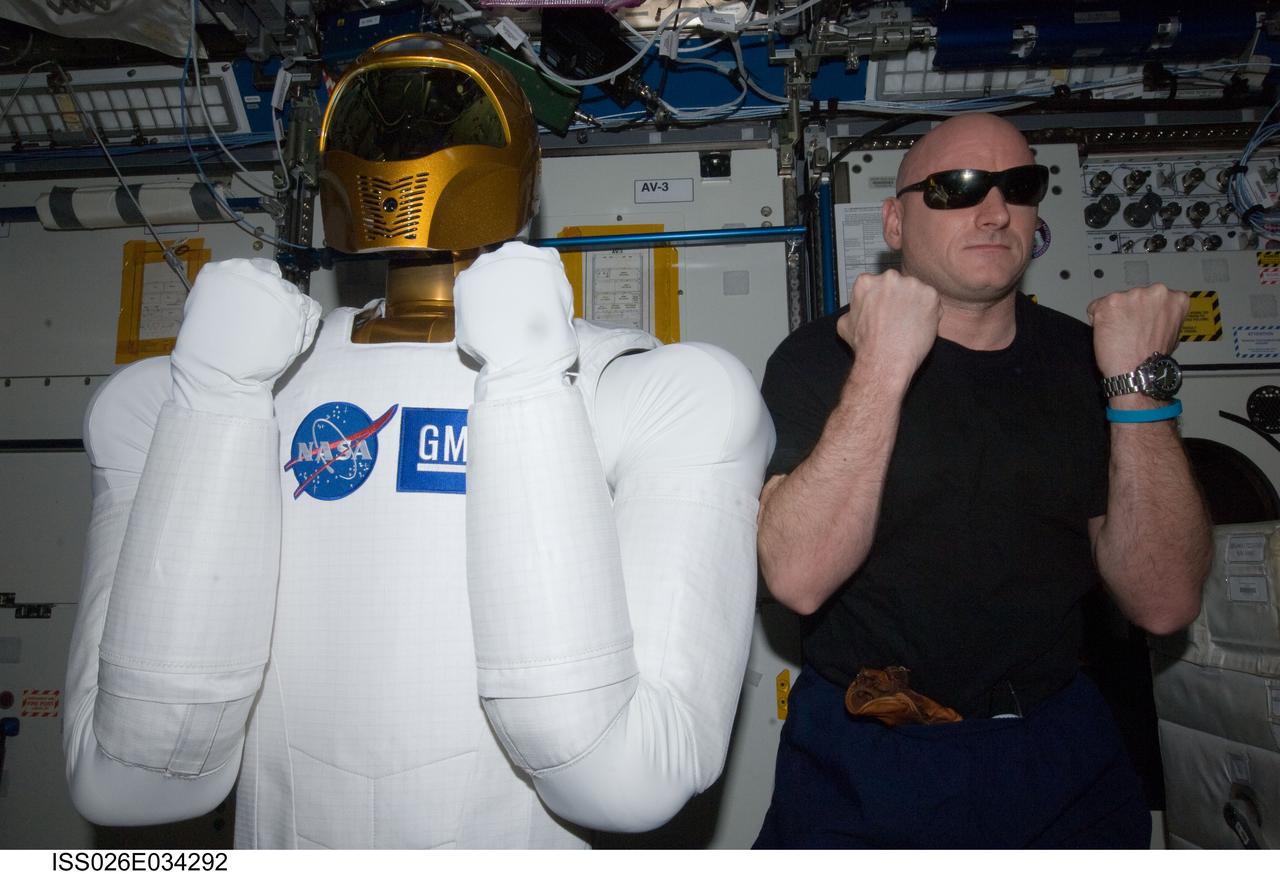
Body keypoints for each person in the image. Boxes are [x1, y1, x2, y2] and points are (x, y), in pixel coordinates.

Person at [62, 34, 773, 849]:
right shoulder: (184, 397)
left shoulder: (651, 397)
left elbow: (622, 780)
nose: (409, 153)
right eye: (383, 128)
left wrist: (528, 388)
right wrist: (216, 399)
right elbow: (136, 778)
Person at [752, 112, 1212, 849]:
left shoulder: (1087, 362)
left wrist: (1136, 388)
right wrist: (881, 368)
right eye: (956, 188)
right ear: (896, 222)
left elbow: (1162, 602)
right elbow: (797, 579)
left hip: (1056, 749)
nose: (993, 211)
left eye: (1018, 187)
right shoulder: (819, 359)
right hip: (871, 751)